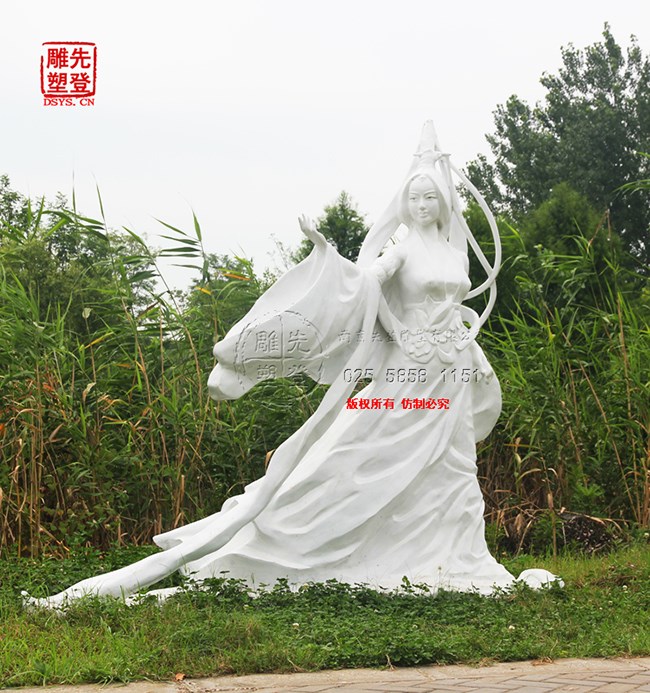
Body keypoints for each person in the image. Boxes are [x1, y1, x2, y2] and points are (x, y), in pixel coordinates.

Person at [25, 123, 559, 609]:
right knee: (361, 449)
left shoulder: (455, 253)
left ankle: (448, 552)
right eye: (414, 197)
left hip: (451, 371)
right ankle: (296, 531)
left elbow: (461, 307)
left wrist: (469, 350)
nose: (421, 205)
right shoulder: (400, 250)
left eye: (430, 198)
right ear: (405, 202)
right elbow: (369, 283)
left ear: (443, 203)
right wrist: (340, 269)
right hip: (407, 371)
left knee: (452, 464)